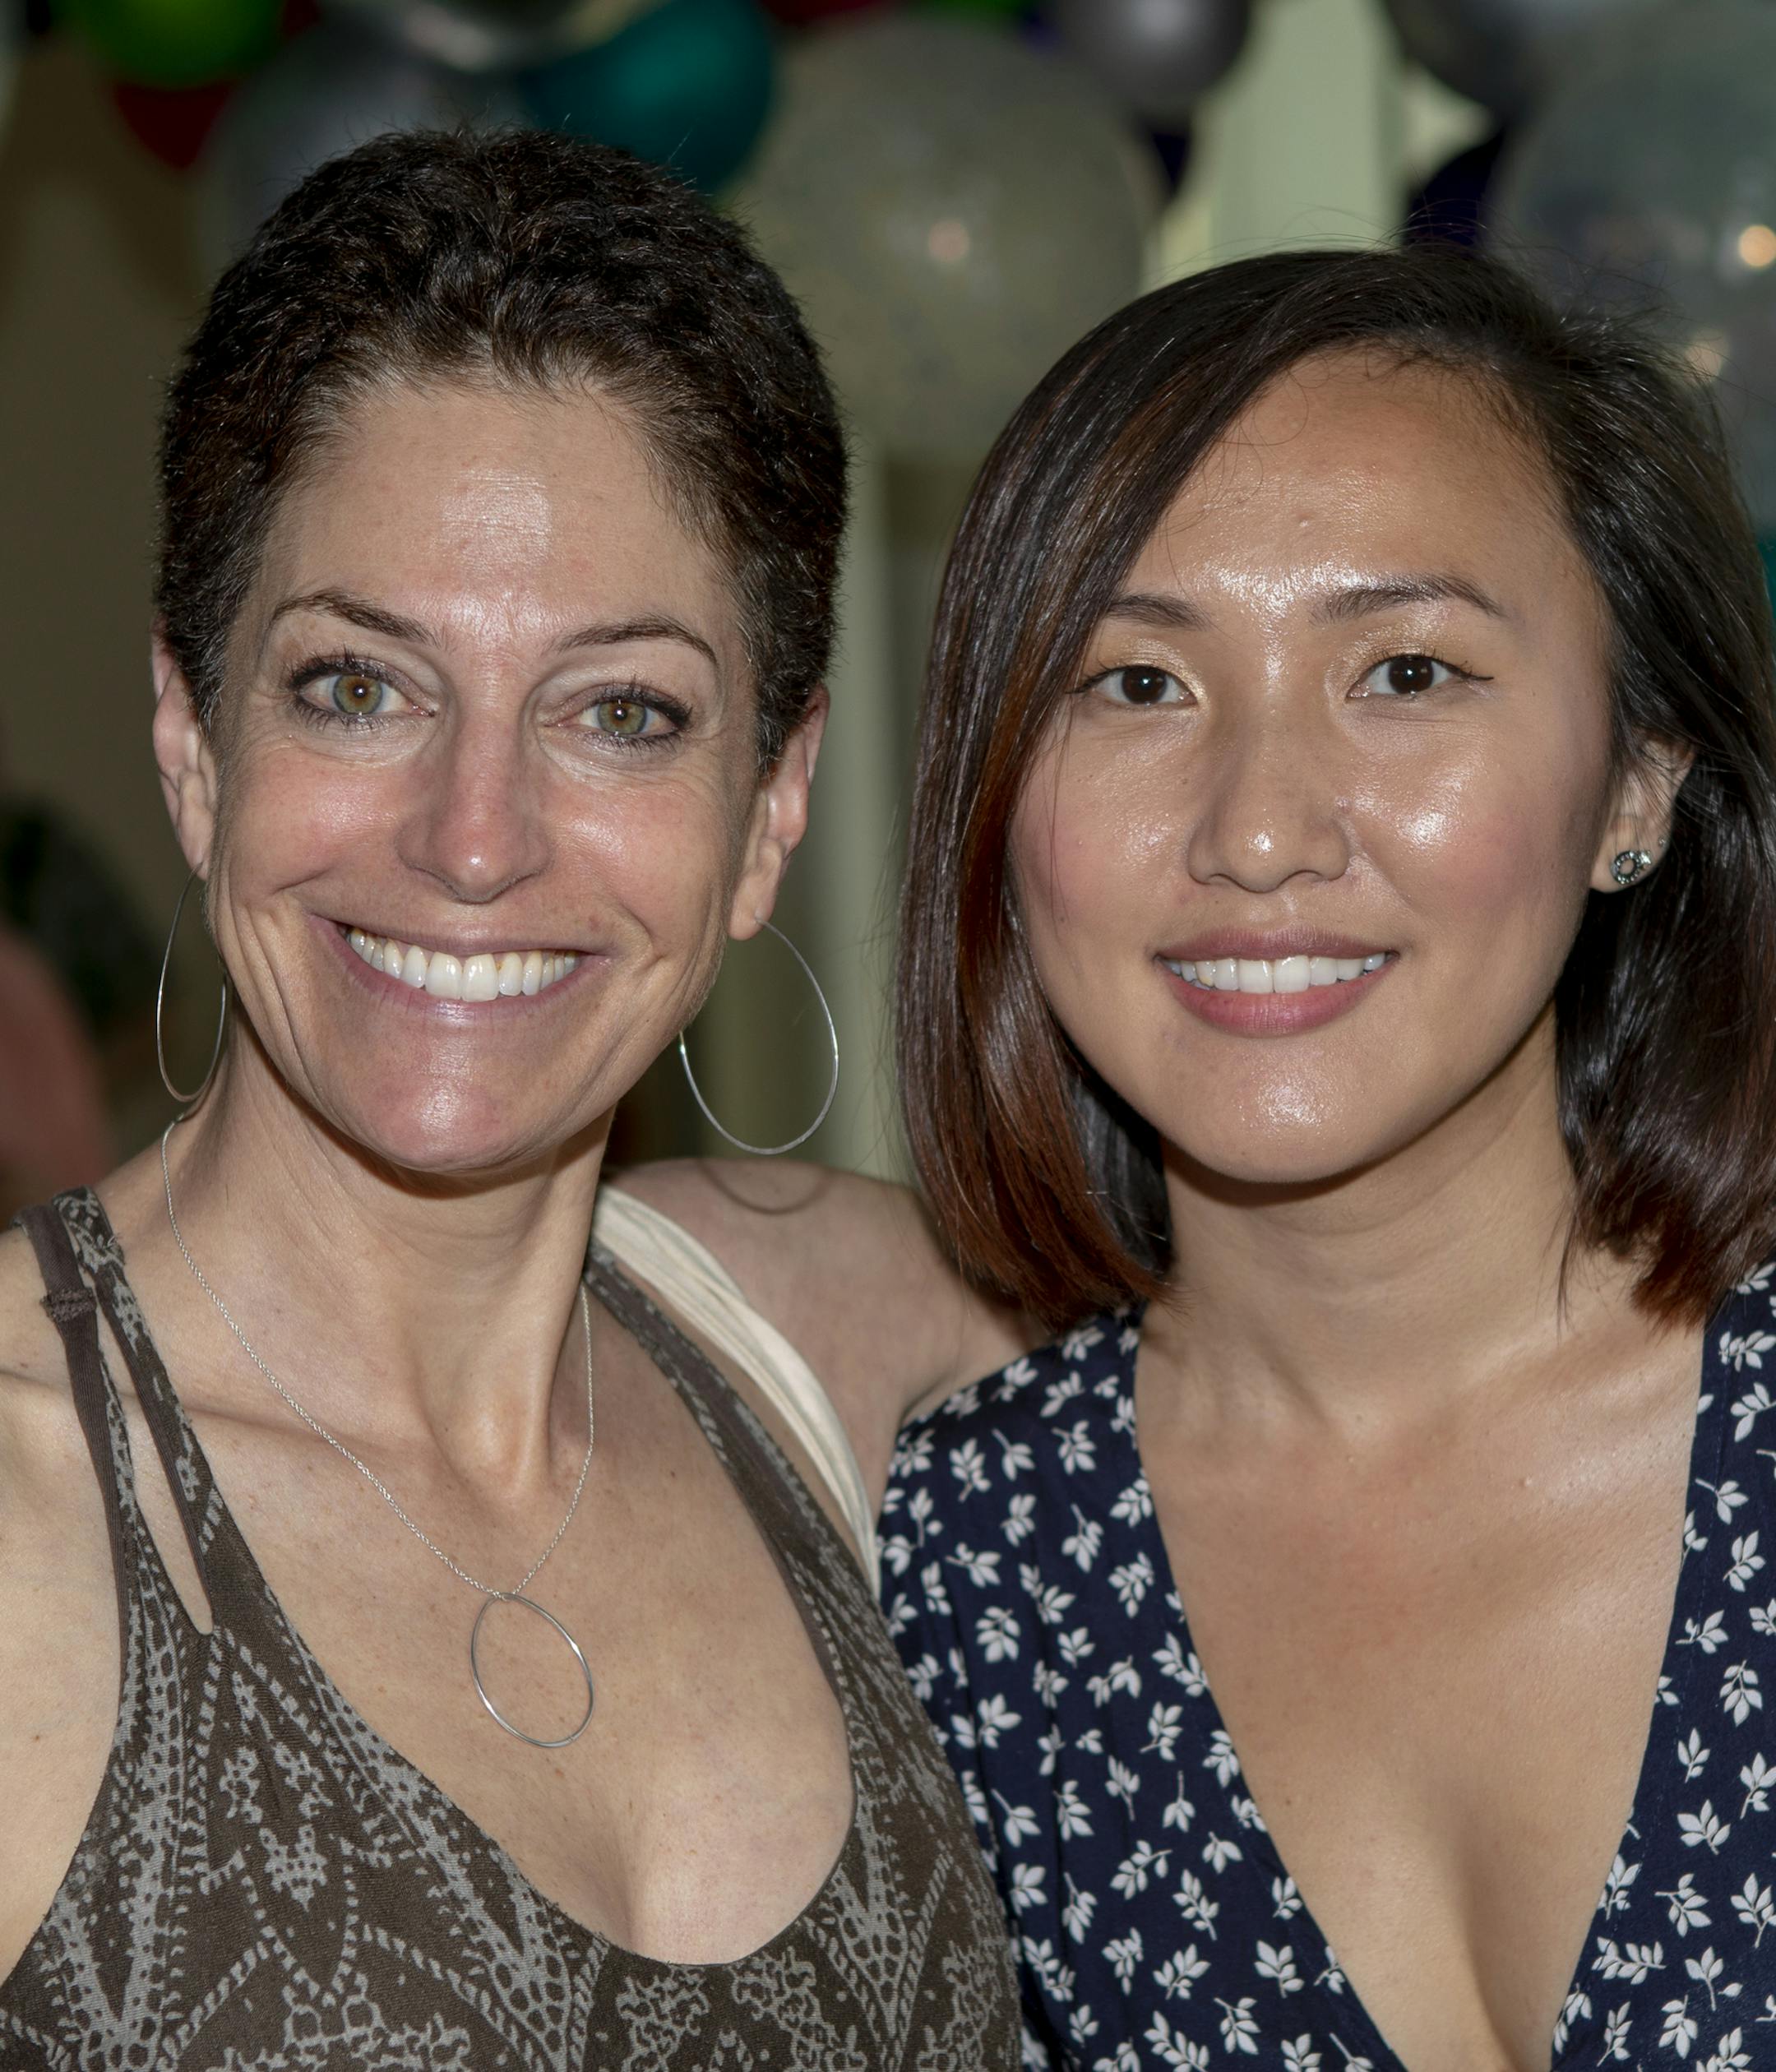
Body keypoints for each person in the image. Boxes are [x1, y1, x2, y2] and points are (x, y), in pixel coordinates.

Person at [0, 127, 1021, 2067]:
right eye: (356, 688)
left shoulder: (836, 1343)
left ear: (769, 812)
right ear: (191, 743)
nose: (476, 841)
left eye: (620, 711)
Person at [872, 246, 1776, 2070]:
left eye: (1408, 669)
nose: (1261, 829)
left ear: (1637, 784)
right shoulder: (954, 1574)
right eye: (1134, 686)